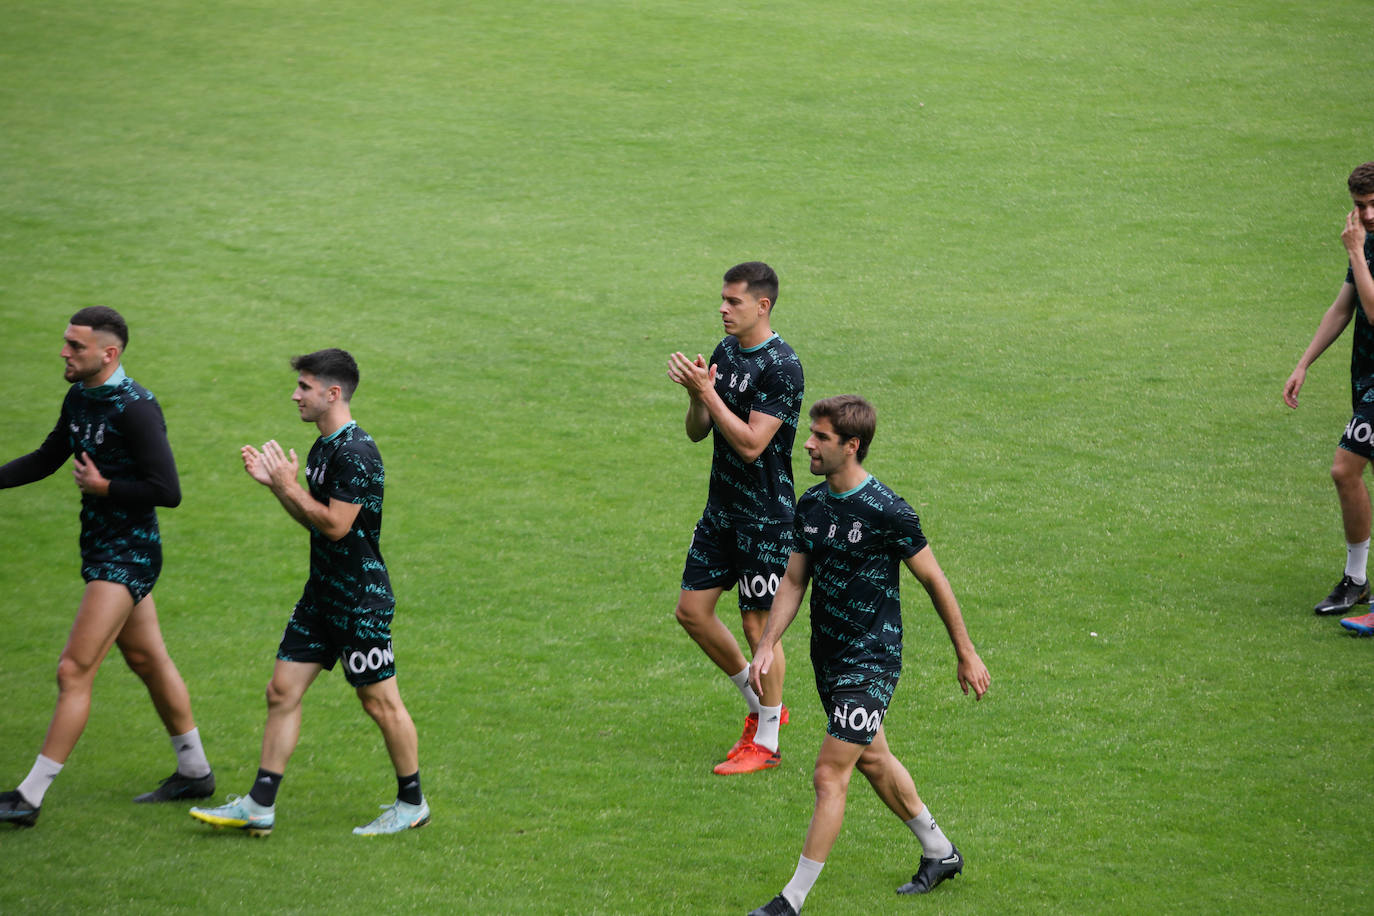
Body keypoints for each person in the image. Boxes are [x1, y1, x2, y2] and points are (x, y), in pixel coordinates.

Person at [745, 396, 990, 915]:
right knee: (873, 759)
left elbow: (934, 579)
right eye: (810, 432)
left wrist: (965, 654)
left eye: (821, 437)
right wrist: (767, 644)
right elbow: (793, 580)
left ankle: (791, 901)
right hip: (827, 657)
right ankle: (939, 851)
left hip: (871, 659)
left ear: (851, 446)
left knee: (829, 773)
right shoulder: (810, 505)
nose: (807, 443)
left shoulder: (887, 510)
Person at [190, 349, 428, 836]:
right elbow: (314, 523)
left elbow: (337, 526)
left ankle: (412, 804)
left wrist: (287, 486)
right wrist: (280, 488)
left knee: (379, 702)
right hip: (322, 595)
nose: (295, 394)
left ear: (332, 393)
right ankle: (260, 804)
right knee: (281, 691)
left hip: (359, 601)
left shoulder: (356, 453)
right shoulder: (323, 447)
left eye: (304, 386)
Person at [0, 307, 214, 829]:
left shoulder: (136, 409)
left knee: (73, 670)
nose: (64, 352)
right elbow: (48, 457)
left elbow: (169, 491)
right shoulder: (80, 396)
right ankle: (195, 770)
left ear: (107, 354)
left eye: (75, 346)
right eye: (67, 342)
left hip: (128, 555)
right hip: (100, 548)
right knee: (147, 659)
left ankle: (28, 797)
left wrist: (105, 489)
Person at [667, 262, 804, 775]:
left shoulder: (783, 366)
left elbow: (750, 445)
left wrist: (708, 394)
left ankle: (765, 741)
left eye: (733, 301)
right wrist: (696, 395)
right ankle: (761, 708)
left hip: (765, 517)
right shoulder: (726, 352)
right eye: (722, 300)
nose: (723, 309)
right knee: (691, 612)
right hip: (720, 509)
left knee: (757, 625)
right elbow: (698, 433)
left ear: (762, 305)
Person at [1284, 162, 1374, 621]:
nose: (1369, 213)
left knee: (1345, 468)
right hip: (1368, 382)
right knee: (1348, 471)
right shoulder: (1367, 240)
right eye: (1361, 206)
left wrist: (1357, 252)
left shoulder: (1364, 244)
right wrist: (1303, 363)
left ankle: (1357, 579)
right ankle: (1358, 582)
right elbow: (1345, 307)